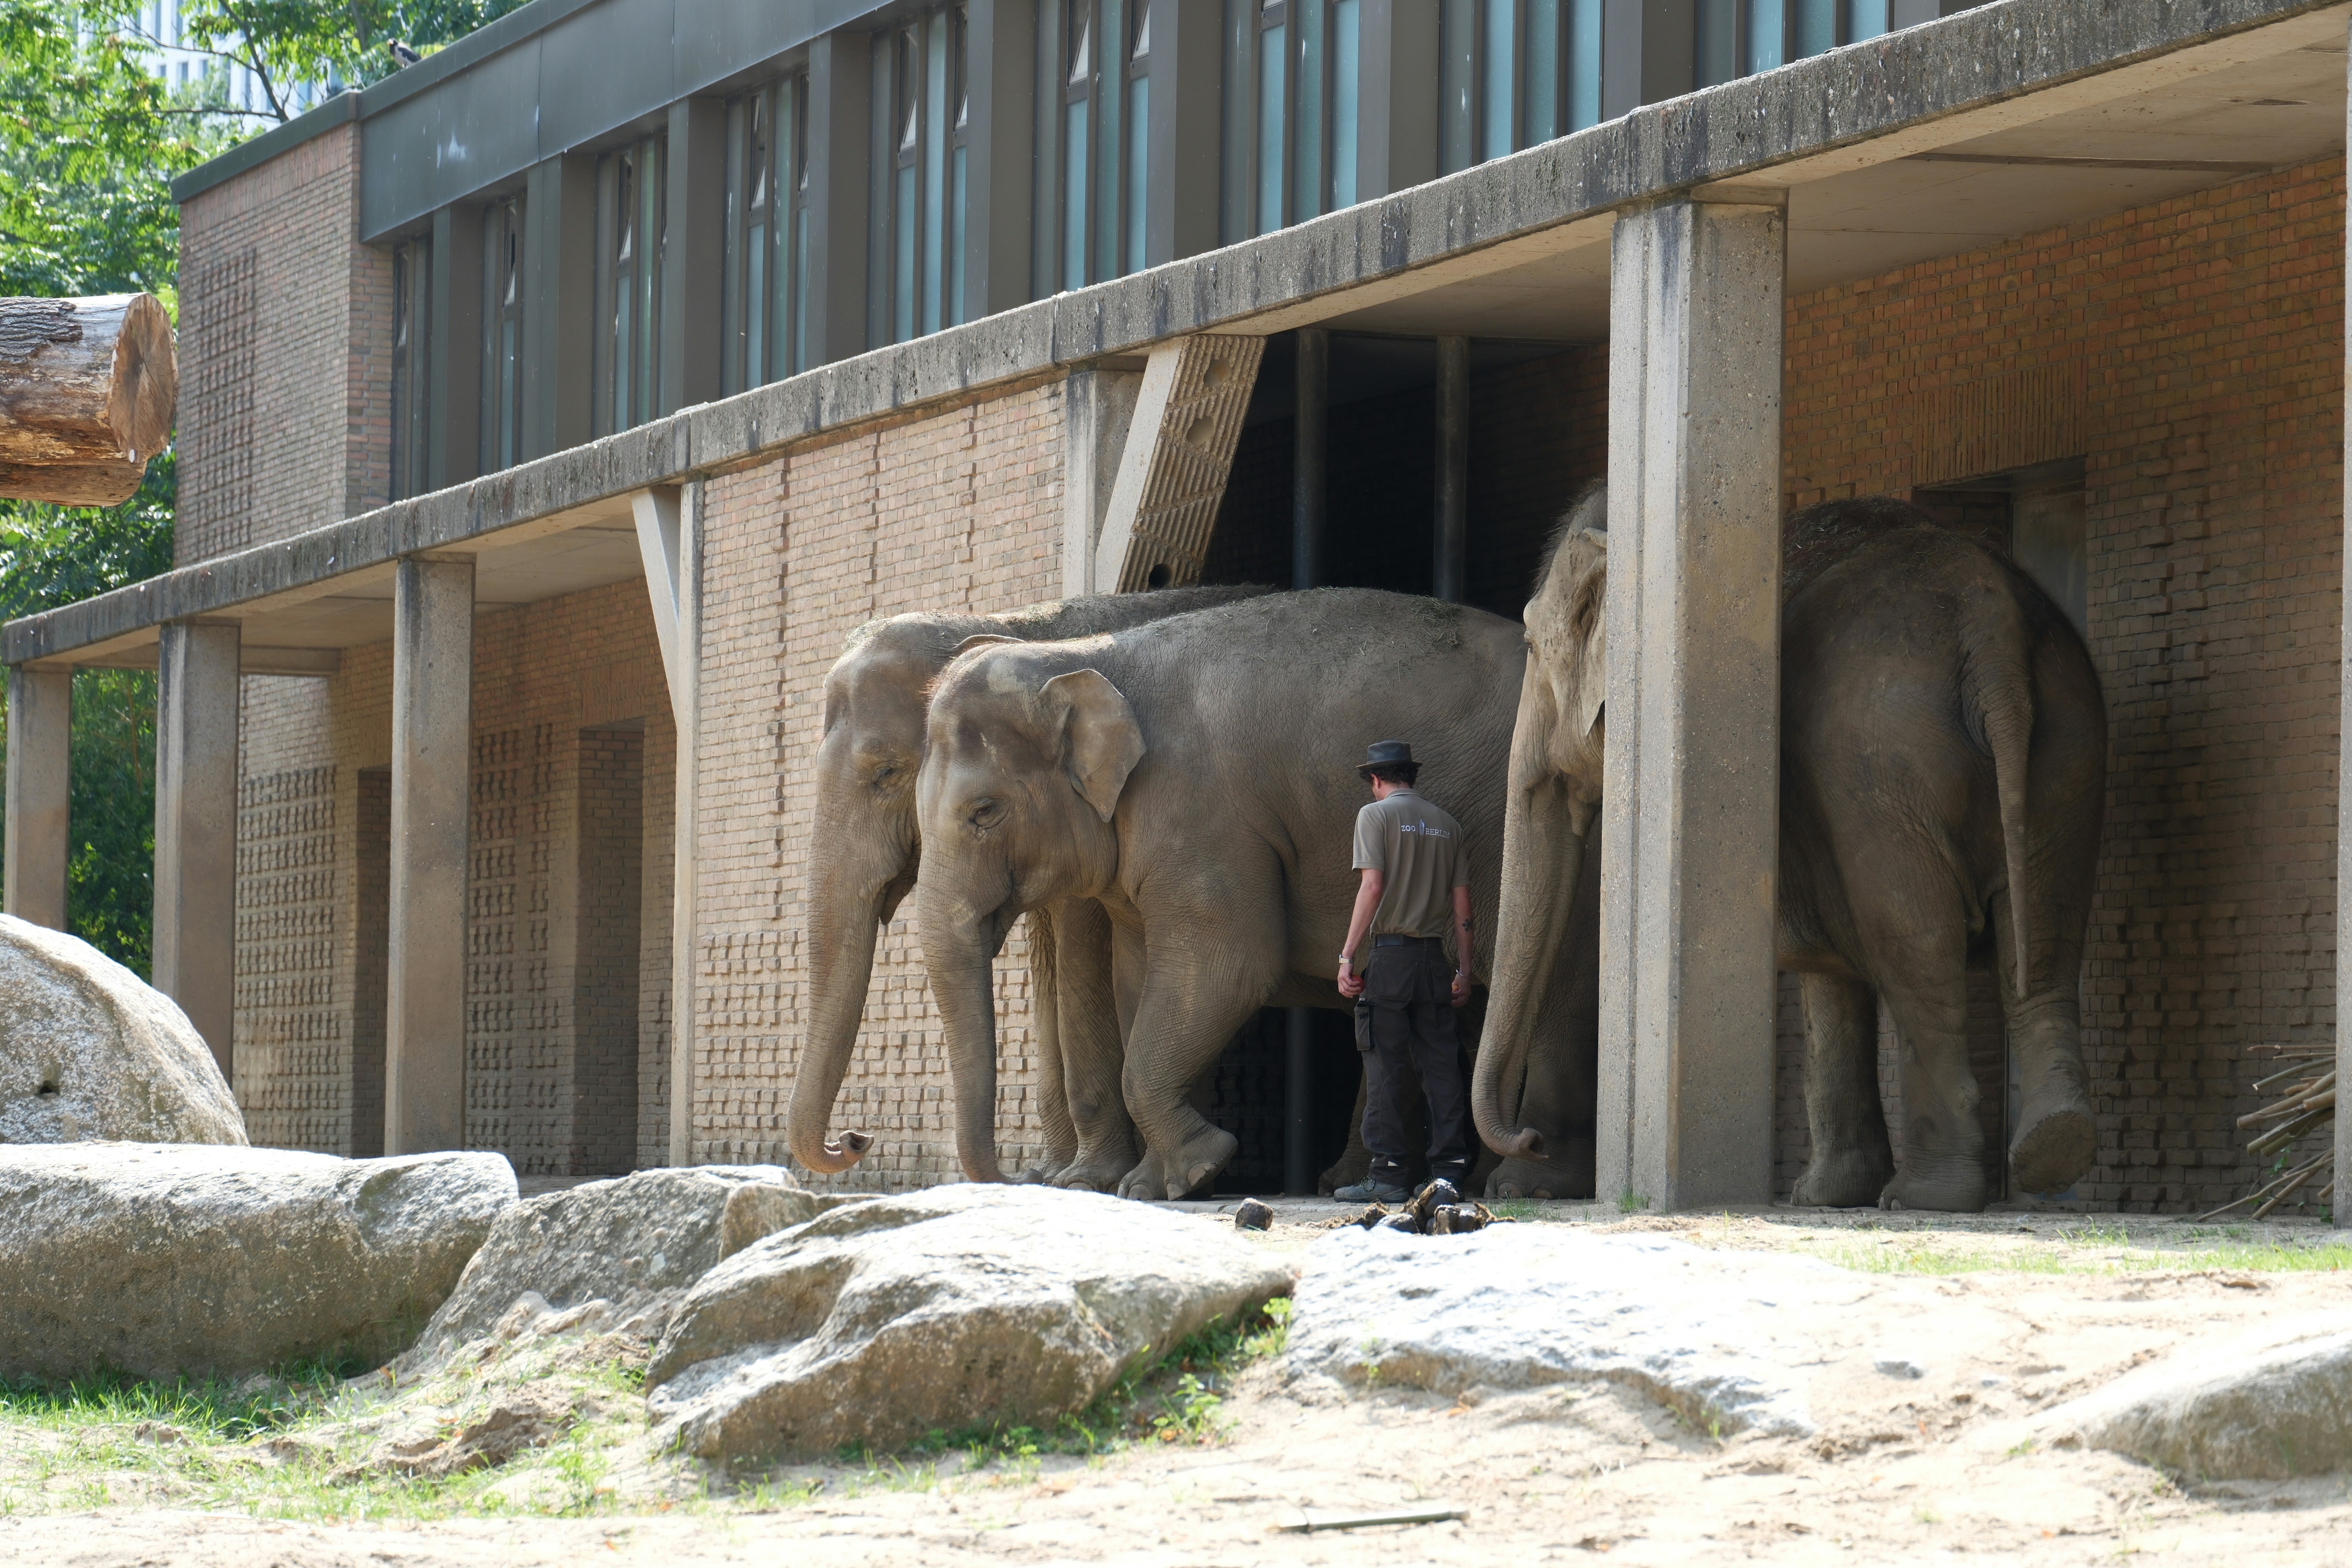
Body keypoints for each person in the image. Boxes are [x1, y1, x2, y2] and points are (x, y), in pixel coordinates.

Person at [1332, 740, 1475, 1204]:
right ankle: (1449, 1174)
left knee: (1386, 1069)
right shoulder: (1448, 826)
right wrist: (1465, 971)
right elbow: (1463, 908)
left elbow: (1372, 888)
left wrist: (1347, 956)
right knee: (1442, 1070)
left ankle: (1389, 1174)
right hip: (1434, 961)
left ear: (1376, 780)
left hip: (1390, 960)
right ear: (1410, 776)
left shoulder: (1373, 816)